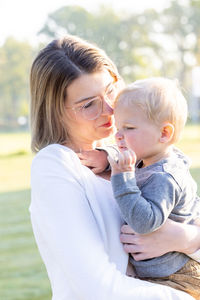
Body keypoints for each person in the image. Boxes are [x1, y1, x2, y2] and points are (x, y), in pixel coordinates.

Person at [30, 34, 200, 300]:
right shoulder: (55, 166)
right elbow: (98, 288)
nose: (109, 109)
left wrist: (185, 237)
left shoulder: (139, 150)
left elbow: (189, 210)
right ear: (55, 110)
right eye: (88, 104)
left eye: (111, 91)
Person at [106, 78, 200, 299]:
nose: (118, 135)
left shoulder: (165, 177)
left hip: (176, 278)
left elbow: (145, 223)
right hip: (162, 275)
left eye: (128, 128)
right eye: (118, 127)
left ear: (164, 134)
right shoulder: (150, 160)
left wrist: (122, 178)